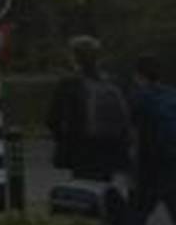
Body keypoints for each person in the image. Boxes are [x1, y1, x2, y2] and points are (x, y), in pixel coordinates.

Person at [46, 36, 132, 182]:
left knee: (84, 190)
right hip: (109, 147)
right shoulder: (111, 82)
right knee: (104, 186)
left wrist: (63, 140)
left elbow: (52, 119)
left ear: (74, 57)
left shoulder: (68, 84)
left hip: (81, 148)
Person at [126, 55, 176, 225]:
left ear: (139, 75)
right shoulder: (171, 95)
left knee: (136, 217)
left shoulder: (138, 97)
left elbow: (128, 132)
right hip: (172, 164)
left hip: (147, 167)